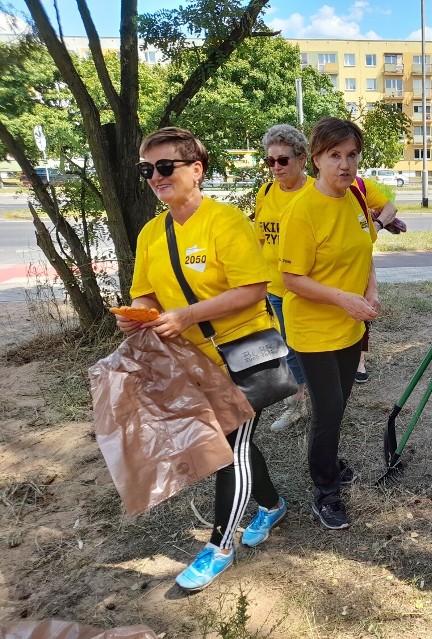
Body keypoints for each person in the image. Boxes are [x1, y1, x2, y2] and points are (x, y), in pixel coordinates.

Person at [117, 127, 287, 591]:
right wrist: (139, 316)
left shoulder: (226, 221)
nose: (155, 176)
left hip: (242, 354)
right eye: (147, 170)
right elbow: (145, 294)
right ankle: (271, 505)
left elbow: (254, 288)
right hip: (191, 361)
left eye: (165, 167)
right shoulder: (152, 232)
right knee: (237, 441)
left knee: (228, 451)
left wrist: (187, 314)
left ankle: (220, 545)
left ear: (197, 169)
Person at [278, 116, 379, 530]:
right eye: (334, 156)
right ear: (316, 159)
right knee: (328, 409)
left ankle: (330, 459)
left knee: (339, 405)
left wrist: (372, 291)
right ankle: (326, 491)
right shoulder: (303, 211)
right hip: (315, 329)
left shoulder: (355, 197)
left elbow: (366, 248)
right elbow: (291, 279)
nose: (345, 165)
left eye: (352, 155)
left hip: (351, 324)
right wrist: (343, 299)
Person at [254, 124, 311, 431]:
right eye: (270, 161)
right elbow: (259, 239)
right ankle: (297, 405)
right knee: (287, 348)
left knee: (313, 348)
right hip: (276, 287)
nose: (275, 167)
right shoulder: (265, 192)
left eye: (283, 160)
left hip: (309, 288)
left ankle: (330, 400)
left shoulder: (317, 192)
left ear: (302, 159)